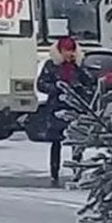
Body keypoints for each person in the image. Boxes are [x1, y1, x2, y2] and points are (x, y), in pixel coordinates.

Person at [36, 36, 95, 187]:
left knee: (77, 140)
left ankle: (77, 169)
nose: (69, 54)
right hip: (57, 107)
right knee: (56, 141)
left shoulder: (79, 66)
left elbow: (90, 83)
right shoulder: (51, 65)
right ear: (59, 51)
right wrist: (57, 88)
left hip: (75, 108)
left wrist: (79, 80)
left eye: (71, 50)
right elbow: (41, 84)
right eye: (65, 50)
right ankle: (54, 171)